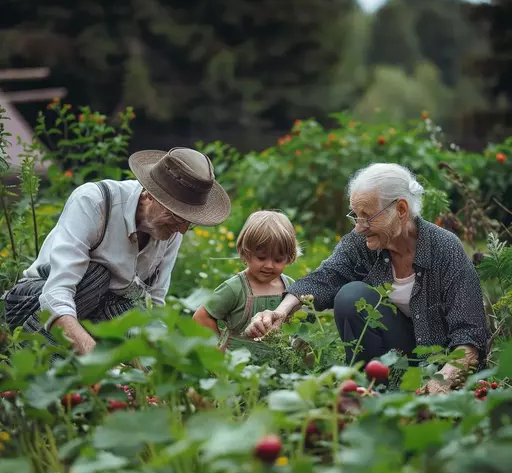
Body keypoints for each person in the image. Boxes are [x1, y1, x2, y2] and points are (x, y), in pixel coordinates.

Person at [245, 163, 491, 394]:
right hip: (393, 360)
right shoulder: (360, 243)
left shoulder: (445, 250)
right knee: (351, 296)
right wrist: (281, 311)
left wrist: (441, 384)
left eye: (367, 216)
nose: (359, 227)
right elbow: (326, 277)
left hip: (439, 367)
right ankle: (370, 393)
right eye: (355, 215)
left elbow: (469, 338)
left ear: (401, 210)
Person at [3, 147, 231, 357]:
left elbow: (153, 305)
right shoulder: (95, 202)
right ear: (150, 194)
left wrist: (174, 356)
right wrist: (93, 356)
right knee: (96, 277)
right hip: (34, 303)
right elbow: (55, 295)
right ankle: (30, 358)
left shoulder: (169, 230)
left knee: (146, 339)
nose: (181, 230)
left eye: (189, 222)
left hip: (102, 312)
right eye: (177, 217)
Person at [193, 210, 300, 359]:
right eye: (261, 257)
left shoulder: (289, 286)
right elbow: (201, 317)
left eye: (278, 259)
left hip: (279, 366)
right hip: (238, 366)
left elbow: (295, 325)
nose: (269, 265)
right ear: (245, 253)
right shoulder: (234, 288)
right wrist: (217, 352)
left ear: (289, 258)